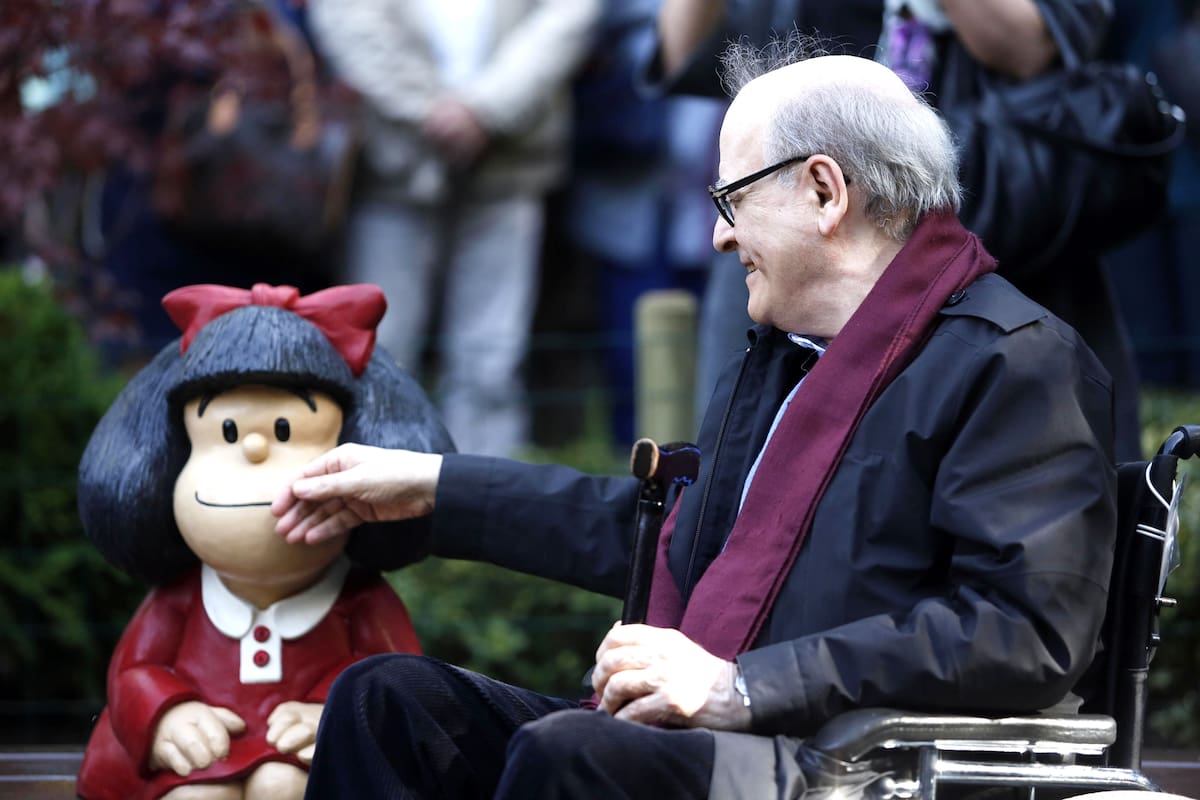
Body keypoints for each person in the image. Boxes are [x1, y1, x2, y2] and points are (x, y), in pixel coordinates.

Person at [273, 43, 1117, 799]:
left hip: (845, 763)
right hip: (743, 744)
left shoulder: (1014, 360)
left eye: (732, 197)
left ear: (824, 191)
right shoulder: (785, 359)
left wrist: (740, 686)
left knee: (578, 757)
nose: (718, 235)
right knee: (387, 702)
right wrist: (434, 487)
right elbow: (669, 541)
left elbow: (1022, 633)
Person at [652, 0, 1144, 462]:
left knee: (993, 463)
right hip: (785, 265)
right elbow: (687, 54)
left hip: (985, 251)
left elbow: (1028, 47)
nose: (720, 235)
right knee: (745, 481)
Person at [305, 0, 601, 458]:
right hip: (392, 169)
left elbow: (567, 16)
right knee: (381, 350)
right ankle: (369, 495)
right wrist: (431, 110)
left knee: (492, 360)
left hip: (508, 164)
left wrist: (486, 108)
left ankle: (484, 502)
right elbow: (347, 19)